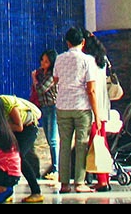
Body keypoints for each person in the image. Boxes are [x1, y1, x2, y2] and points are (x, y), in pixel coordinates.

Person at [53, 26, 100, 194]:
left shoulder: (59, 59)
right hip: (81, 107)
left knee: (64, 145)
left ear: (67, 42)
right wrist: (97, 113)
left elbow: (56, 79)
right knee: (81, 144)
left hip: (63, 106)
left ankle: (64, 184)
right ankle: (80, 183)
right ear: (83, 42)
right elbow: (91, 89)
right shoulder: (87, 60)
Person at [82, 32, 113, 192]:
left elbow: (91, 90)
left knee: (97, 143)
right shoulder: (102, 61)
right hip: (103, 106)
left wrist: (95, 114)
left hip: (94, 109)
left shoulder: (88, 63)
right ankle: (104, 179)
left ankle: (102, 181)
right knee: (102, 143)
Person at [31, 49, 59, 178]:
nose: (43, 63)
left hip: (53, 107)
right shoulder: (41, 73)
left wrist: (34, 80)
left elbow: (41, 89)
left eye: (47, 61)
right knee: (49, 138)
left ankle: (56, 169)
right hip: (45, 107)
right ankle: (54, 167)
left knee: (53, 139)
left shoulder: (53, 74)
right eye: (42, 60)